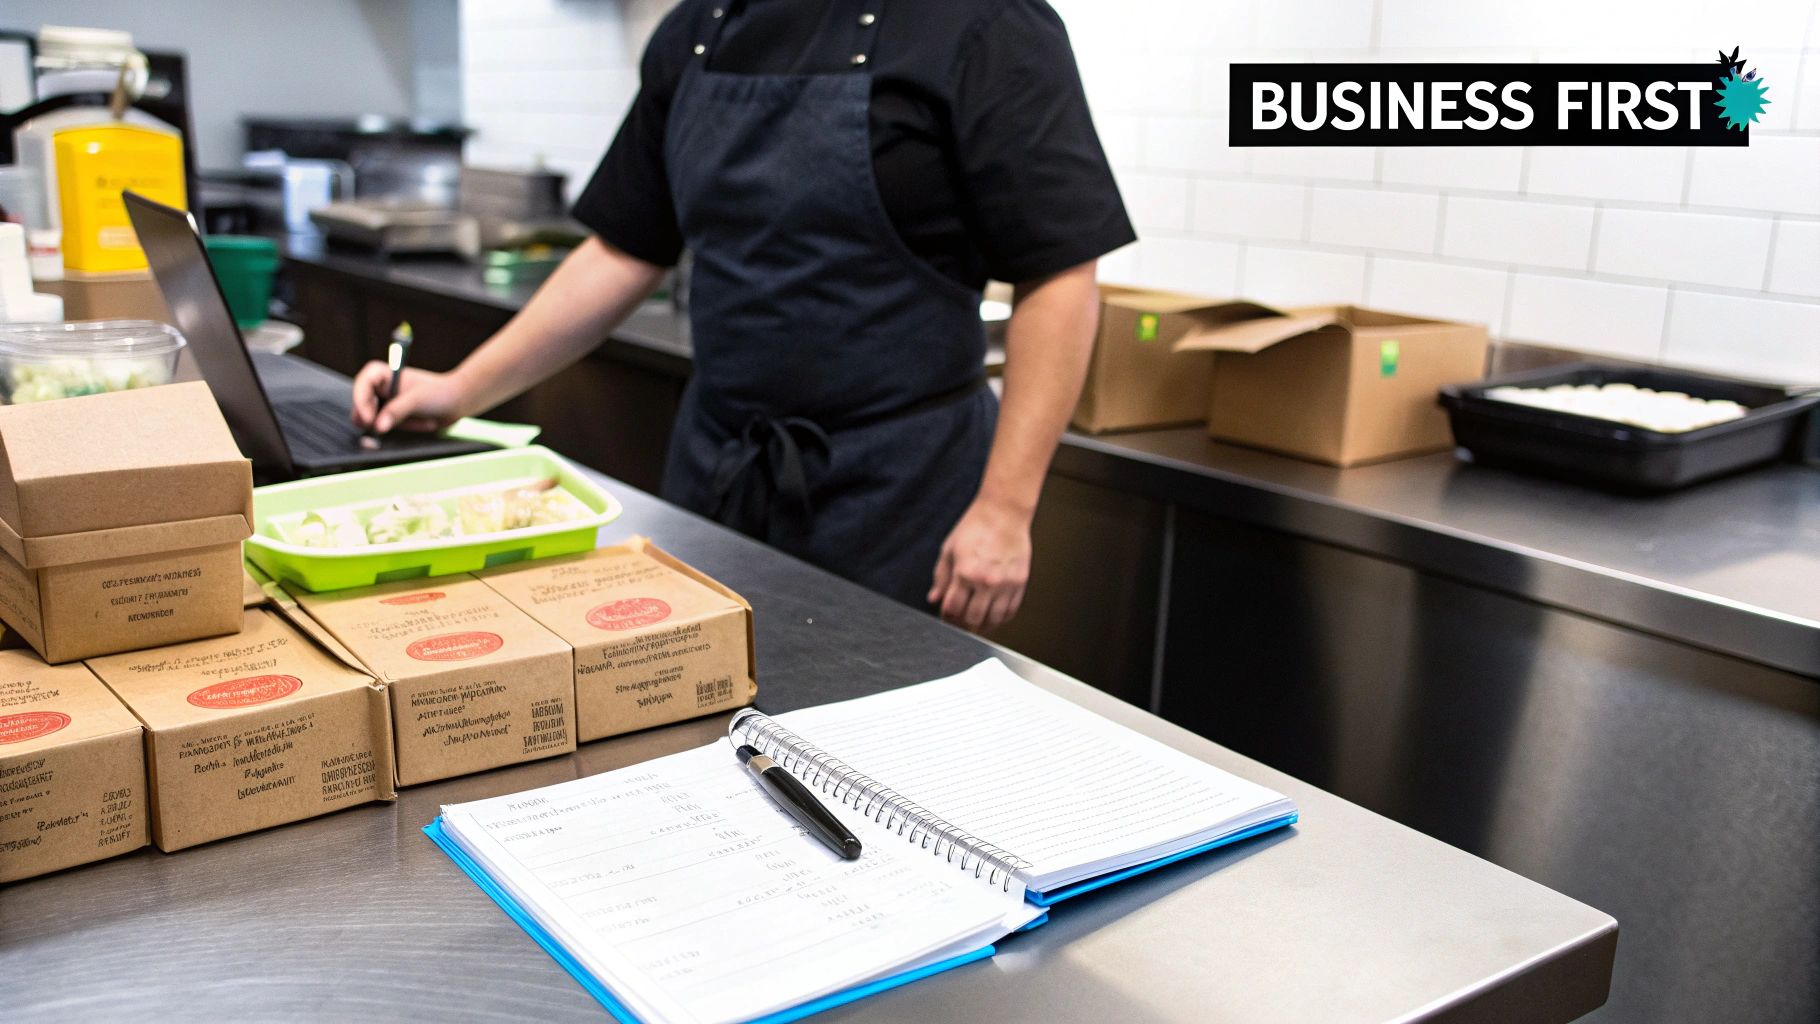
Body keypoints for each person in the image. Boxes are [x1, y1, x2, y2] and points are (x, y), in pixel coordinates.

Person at [352, 0, 1133, 633]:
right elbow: (625, 248)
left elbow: (1060, 276)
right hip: (718, 472)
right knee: (701, 727)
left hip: (901, 493)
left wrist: (1005, 509)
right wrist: (459, 390)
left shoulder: (986, 26)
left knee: (878, 758)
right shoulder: (697, 32)